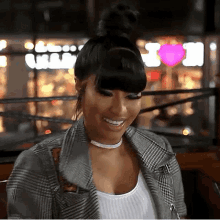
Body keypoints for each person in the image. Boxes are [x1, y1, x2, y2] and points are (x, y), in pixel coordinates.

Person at [6, 3, 187, 219]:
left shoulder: (159, 151)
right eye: (106, 93)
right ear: (80, 86)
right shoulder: (40, 164)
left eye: (133, 96)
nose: (120, 109)